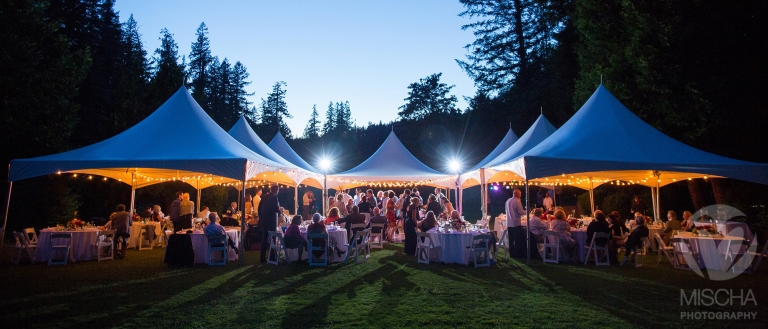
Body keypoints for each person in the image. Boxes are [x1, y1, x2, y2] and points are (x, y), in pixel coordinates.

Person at [258, 185, 281, 263]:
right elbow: (276, 209)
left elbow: (259, 208)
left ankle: (262, 257)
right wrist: (280, 210)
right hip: (271, 222)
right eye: (278, 190)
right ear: (275, 190)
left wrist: (261, 217)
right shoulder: (274, 198)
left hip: (264, 221)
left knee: (264, 239)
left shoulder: (264, 196)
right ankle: (272, 257)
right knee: (273, 239)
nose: (278, 191)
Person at [505, 189, 526, 258]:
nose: (521, 195)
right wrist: (526, 212)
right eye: (520, 194)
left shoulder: (508, 200)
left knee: (511, 239)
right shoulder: (517, 201)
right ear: (517, 194)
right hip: (516, 223)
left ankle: (511, 253)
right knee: (517, 239)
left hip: (509, 222)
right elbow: (521, 212)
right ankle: (517, 253)